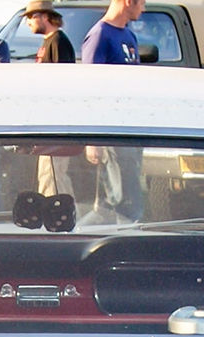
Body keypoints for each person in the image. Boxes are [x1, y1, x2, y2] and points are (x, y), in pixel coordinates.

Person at [81, 0, 144, 223]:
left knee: (127, 199)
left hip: (130, 131)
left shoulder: (129, 36)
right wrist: (93, 138)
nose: (143, 9)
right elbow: (91, 89)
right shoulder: (100, 35)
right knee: (117, 203)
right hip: (110, 132)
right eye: (142, 2)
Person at [28, 0, 74, 198]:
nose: (28, 22)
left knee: (52, 177)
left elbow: (63, 86)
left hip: (57, 124)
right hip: (46, 123)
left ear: (44, 16)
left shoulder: (58, 42)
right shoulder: (48, 41)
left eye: (31, 17)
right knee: (49, 176)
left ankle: (58, 222)